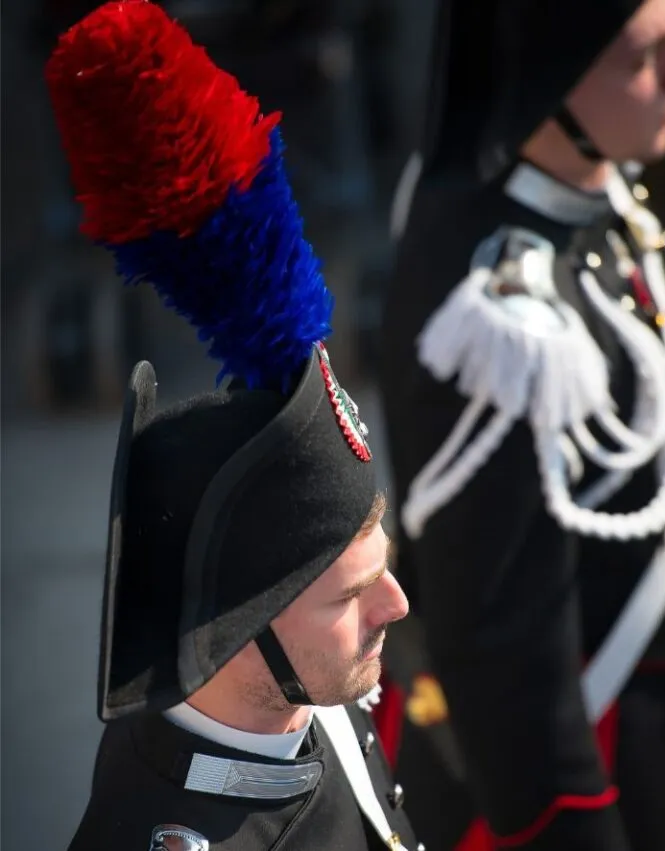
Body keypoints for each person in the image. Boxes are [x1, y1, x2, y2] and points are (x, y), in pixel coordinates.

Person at [376, 1, 665, 849]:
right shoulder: (491, 307)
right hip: (598, 752)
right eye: (642, 55)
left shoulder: (600, 191)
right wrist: (568, 825)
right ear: (541, 83)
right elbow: (503, 646)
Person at [45, 2, 423, 849]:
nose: (398, 603)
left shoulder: (305, 708)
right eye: (353, 592)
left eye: (378, 569)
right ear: (238, 620)